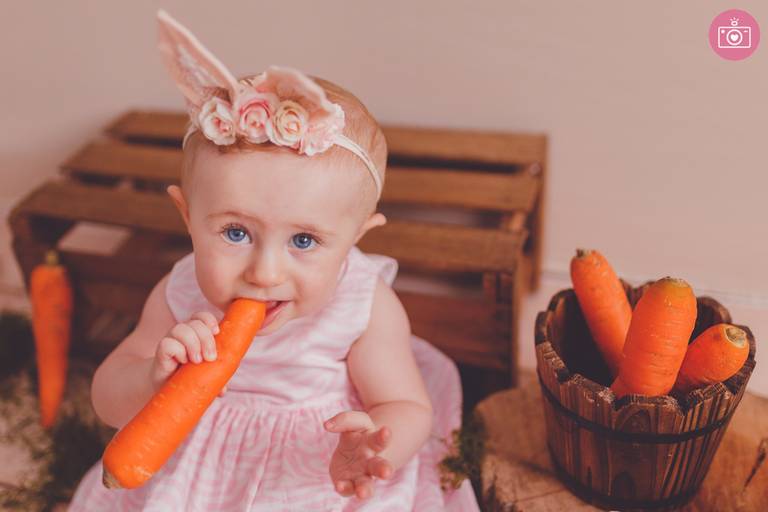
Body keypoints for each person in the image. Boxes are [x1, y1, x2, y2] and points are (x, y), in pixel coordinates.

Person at [68, 9, 480, 511]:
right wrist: (153, 377)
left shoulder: (363, 305)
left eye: (304, 241)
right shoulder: (179, 293)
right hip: (197, 470)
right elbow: (107, 398)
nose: (264, 273)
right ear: (187, 216)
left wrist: (373, 443)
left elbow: (409, 407)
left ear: (355, 239)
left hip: (315, 471)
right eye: (235, 232)